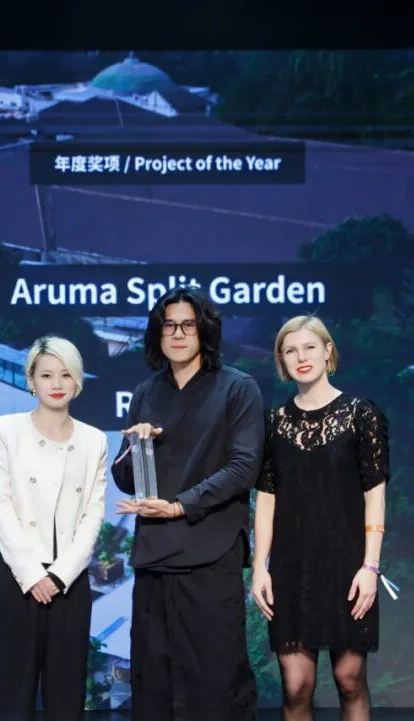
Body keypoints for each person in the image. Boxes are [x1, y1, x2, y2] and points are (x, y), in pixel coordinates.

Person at [113, 287, 263, 721]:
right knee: (153, 683)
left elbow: (244, 467)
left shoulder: (238, 388)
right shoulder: (145, 393)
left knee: (215, 683)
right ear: (157, 334)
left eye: (187, 324)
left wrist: (180, 506)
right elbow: (127, 479)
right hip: (155, 556)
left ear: (204, 331)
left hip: (210, 554)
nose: (177, 333)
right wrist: (135, 448)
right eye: (168, 325)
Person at [251, 316, 390, 721]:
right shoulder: (272, 423)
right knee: (296, 687)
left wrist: (371, 566)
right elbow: (266, 499)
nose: (301, 357)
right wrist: (259, 566)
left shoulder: (361, 414)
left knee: (350, 679)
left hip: (348, 566)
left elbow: (375, 494)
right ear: (282, 361)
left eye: (309, 347)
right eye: (290, 350)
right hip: (291, 570)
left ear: (328, 351)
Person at [0, 336, 108, 721]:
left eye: (66, 374)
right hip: (16, 579)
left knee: (67, 699)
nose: (57, 383)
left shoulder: (94, 440)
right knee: (11, 696)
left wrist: (58, 576)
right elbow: (0, 506)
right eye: (46, 375)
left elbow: (93, 515)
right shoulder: (6, 430)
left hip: (69, 584)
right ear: (31, 381)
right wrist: (32, 575)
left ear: (77, 381)